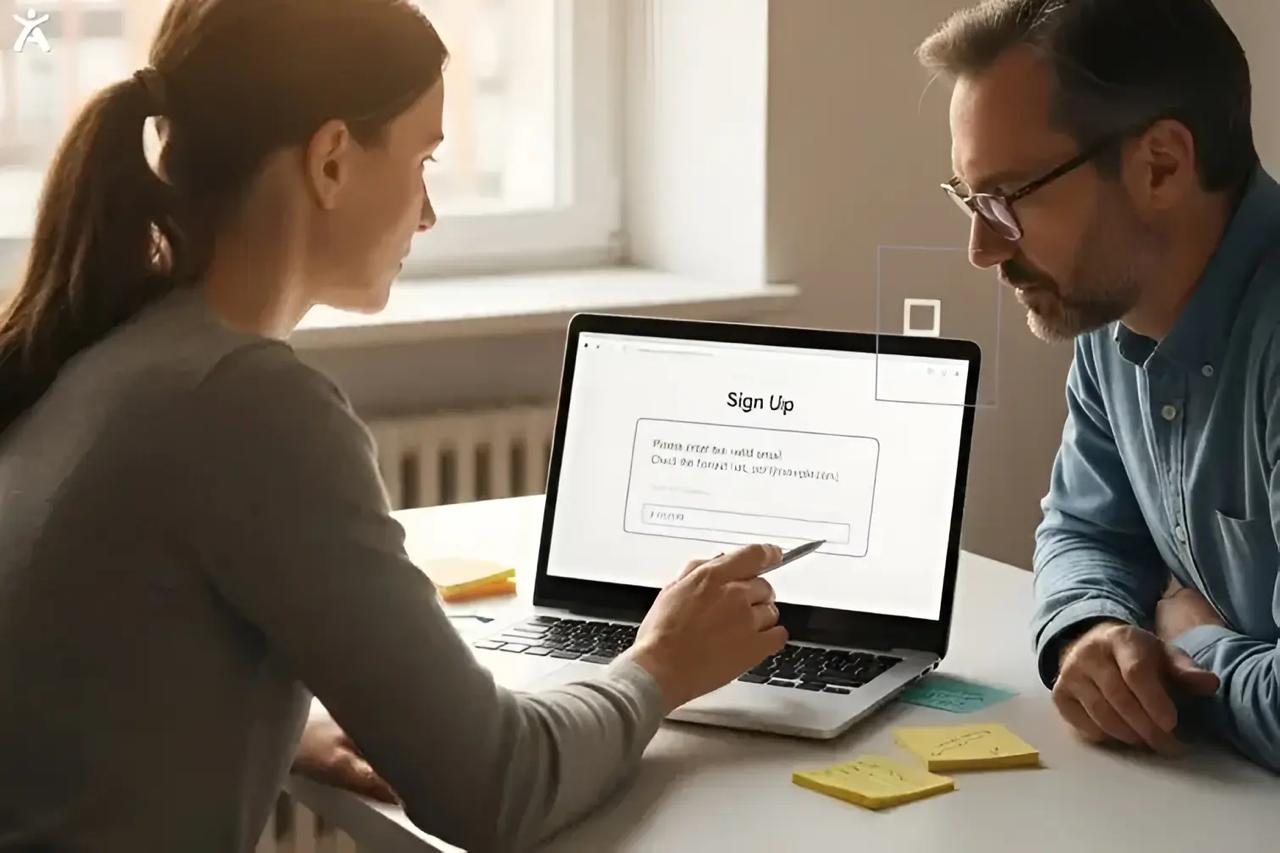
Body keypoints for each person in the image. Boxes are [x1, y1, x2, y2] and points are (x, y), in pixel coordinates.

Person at [0, 1, 788, 850]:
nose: (427, 213)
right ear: (332, 161)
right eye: (423, 159)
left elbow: (95, 675)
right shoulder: (245, 404)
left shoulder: (102, 349)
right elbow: (497, 789)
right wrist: (661, 664)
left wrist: (289, 724)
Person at [916, 0, 1280, 771]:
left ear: (1162, 166)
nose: (982, 248)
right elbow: (1086, 532)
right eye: (970, 198)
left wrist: (1191, 643)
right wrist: (1094, 631)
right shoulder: (1115, 309)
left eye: (1008, 198)